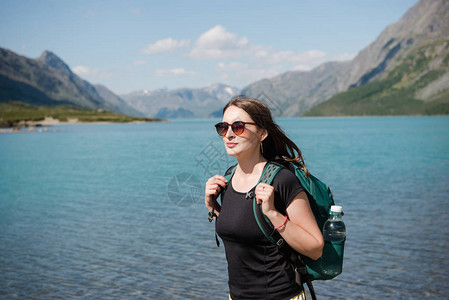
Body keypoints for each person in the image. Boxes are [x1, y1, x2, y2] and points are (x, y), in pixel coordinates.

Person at [205, 96, 324, 300]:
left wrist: (272, 213)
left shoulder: (281, 180)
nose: (229, 135)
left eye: (238, 126)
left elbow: (315, 248)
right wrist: (212, 206)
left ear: (262, 133)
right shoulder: (228, 178)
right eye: (223, 127)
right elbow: (241, 229)